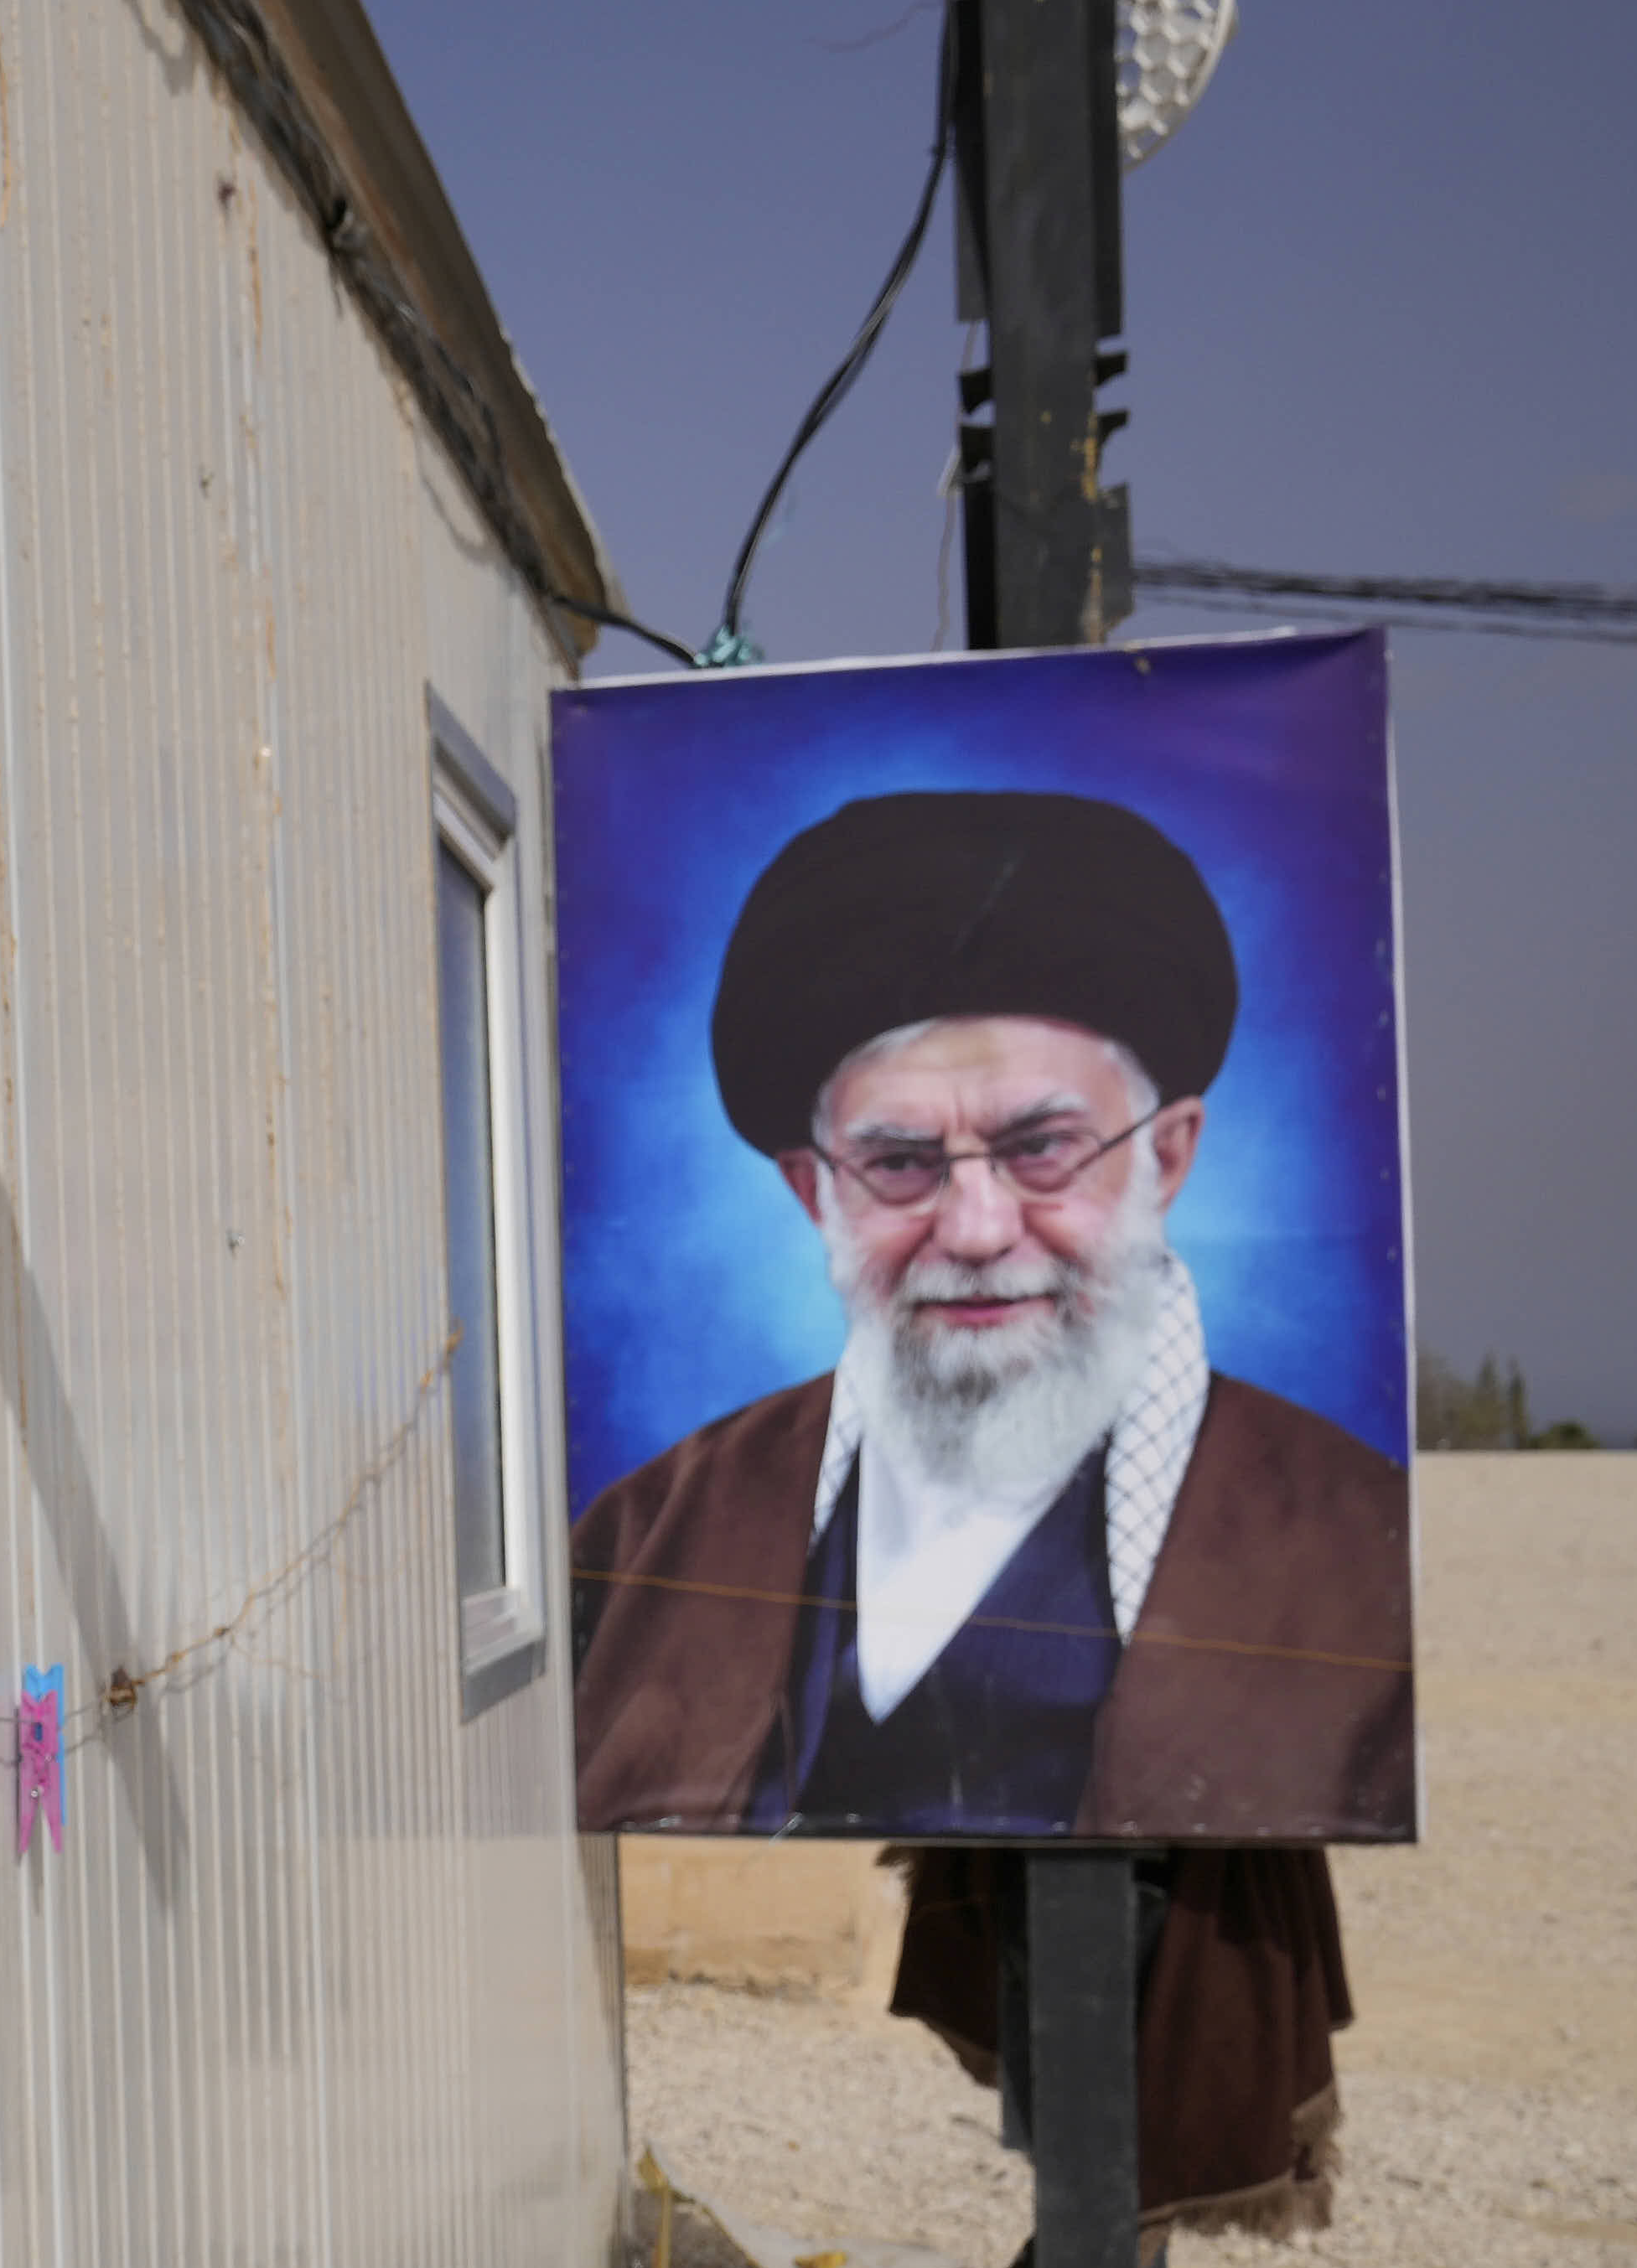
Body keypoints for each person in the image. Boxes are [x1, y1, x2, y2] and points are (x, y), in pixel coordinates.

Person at [568, 788, 1412, 1843]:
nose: (974, 1230)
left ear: (1168, 1154)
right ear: (811, 1190)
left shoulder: (1362, 1560)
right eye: (899, 1163)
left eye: (1041, 1148)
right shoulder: (647, 1536)